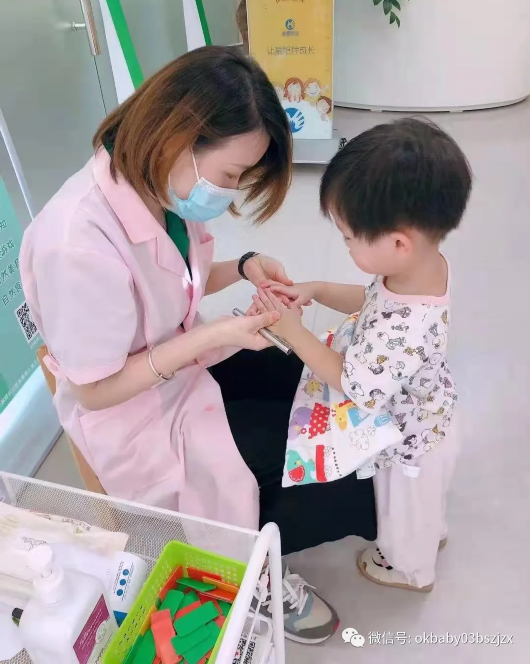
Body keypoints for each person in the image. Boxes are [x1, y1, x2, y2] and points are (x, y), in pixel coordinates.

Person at [21, 47, 376, 644]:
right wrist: (216, 334)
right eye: (232, 175)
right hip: (132, 413)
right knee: (295, 457)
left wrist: (245, 265)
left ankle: (304, 520)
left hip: (182, 362)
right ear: (179, 136)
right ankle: (253, 575)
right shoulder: (74, 243)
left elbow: (176, 280)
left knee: (316, 393)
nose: (230, 192)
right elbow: (95, 390)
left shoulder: (155, 187)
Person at [254, 118, 472, 592]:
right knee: (422, 509)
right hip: (431, 412)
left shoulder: (407, 325)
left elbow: (354, 383)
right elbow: (371, 301)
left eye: (349, 237)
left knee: (403, 512)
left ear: (398, 243)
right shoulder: (420, 267)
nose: (346, 243)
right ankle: (428, 534)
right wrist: (316, 289)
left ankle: (411, 571)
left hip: (412, 439)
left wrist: (294, 333)